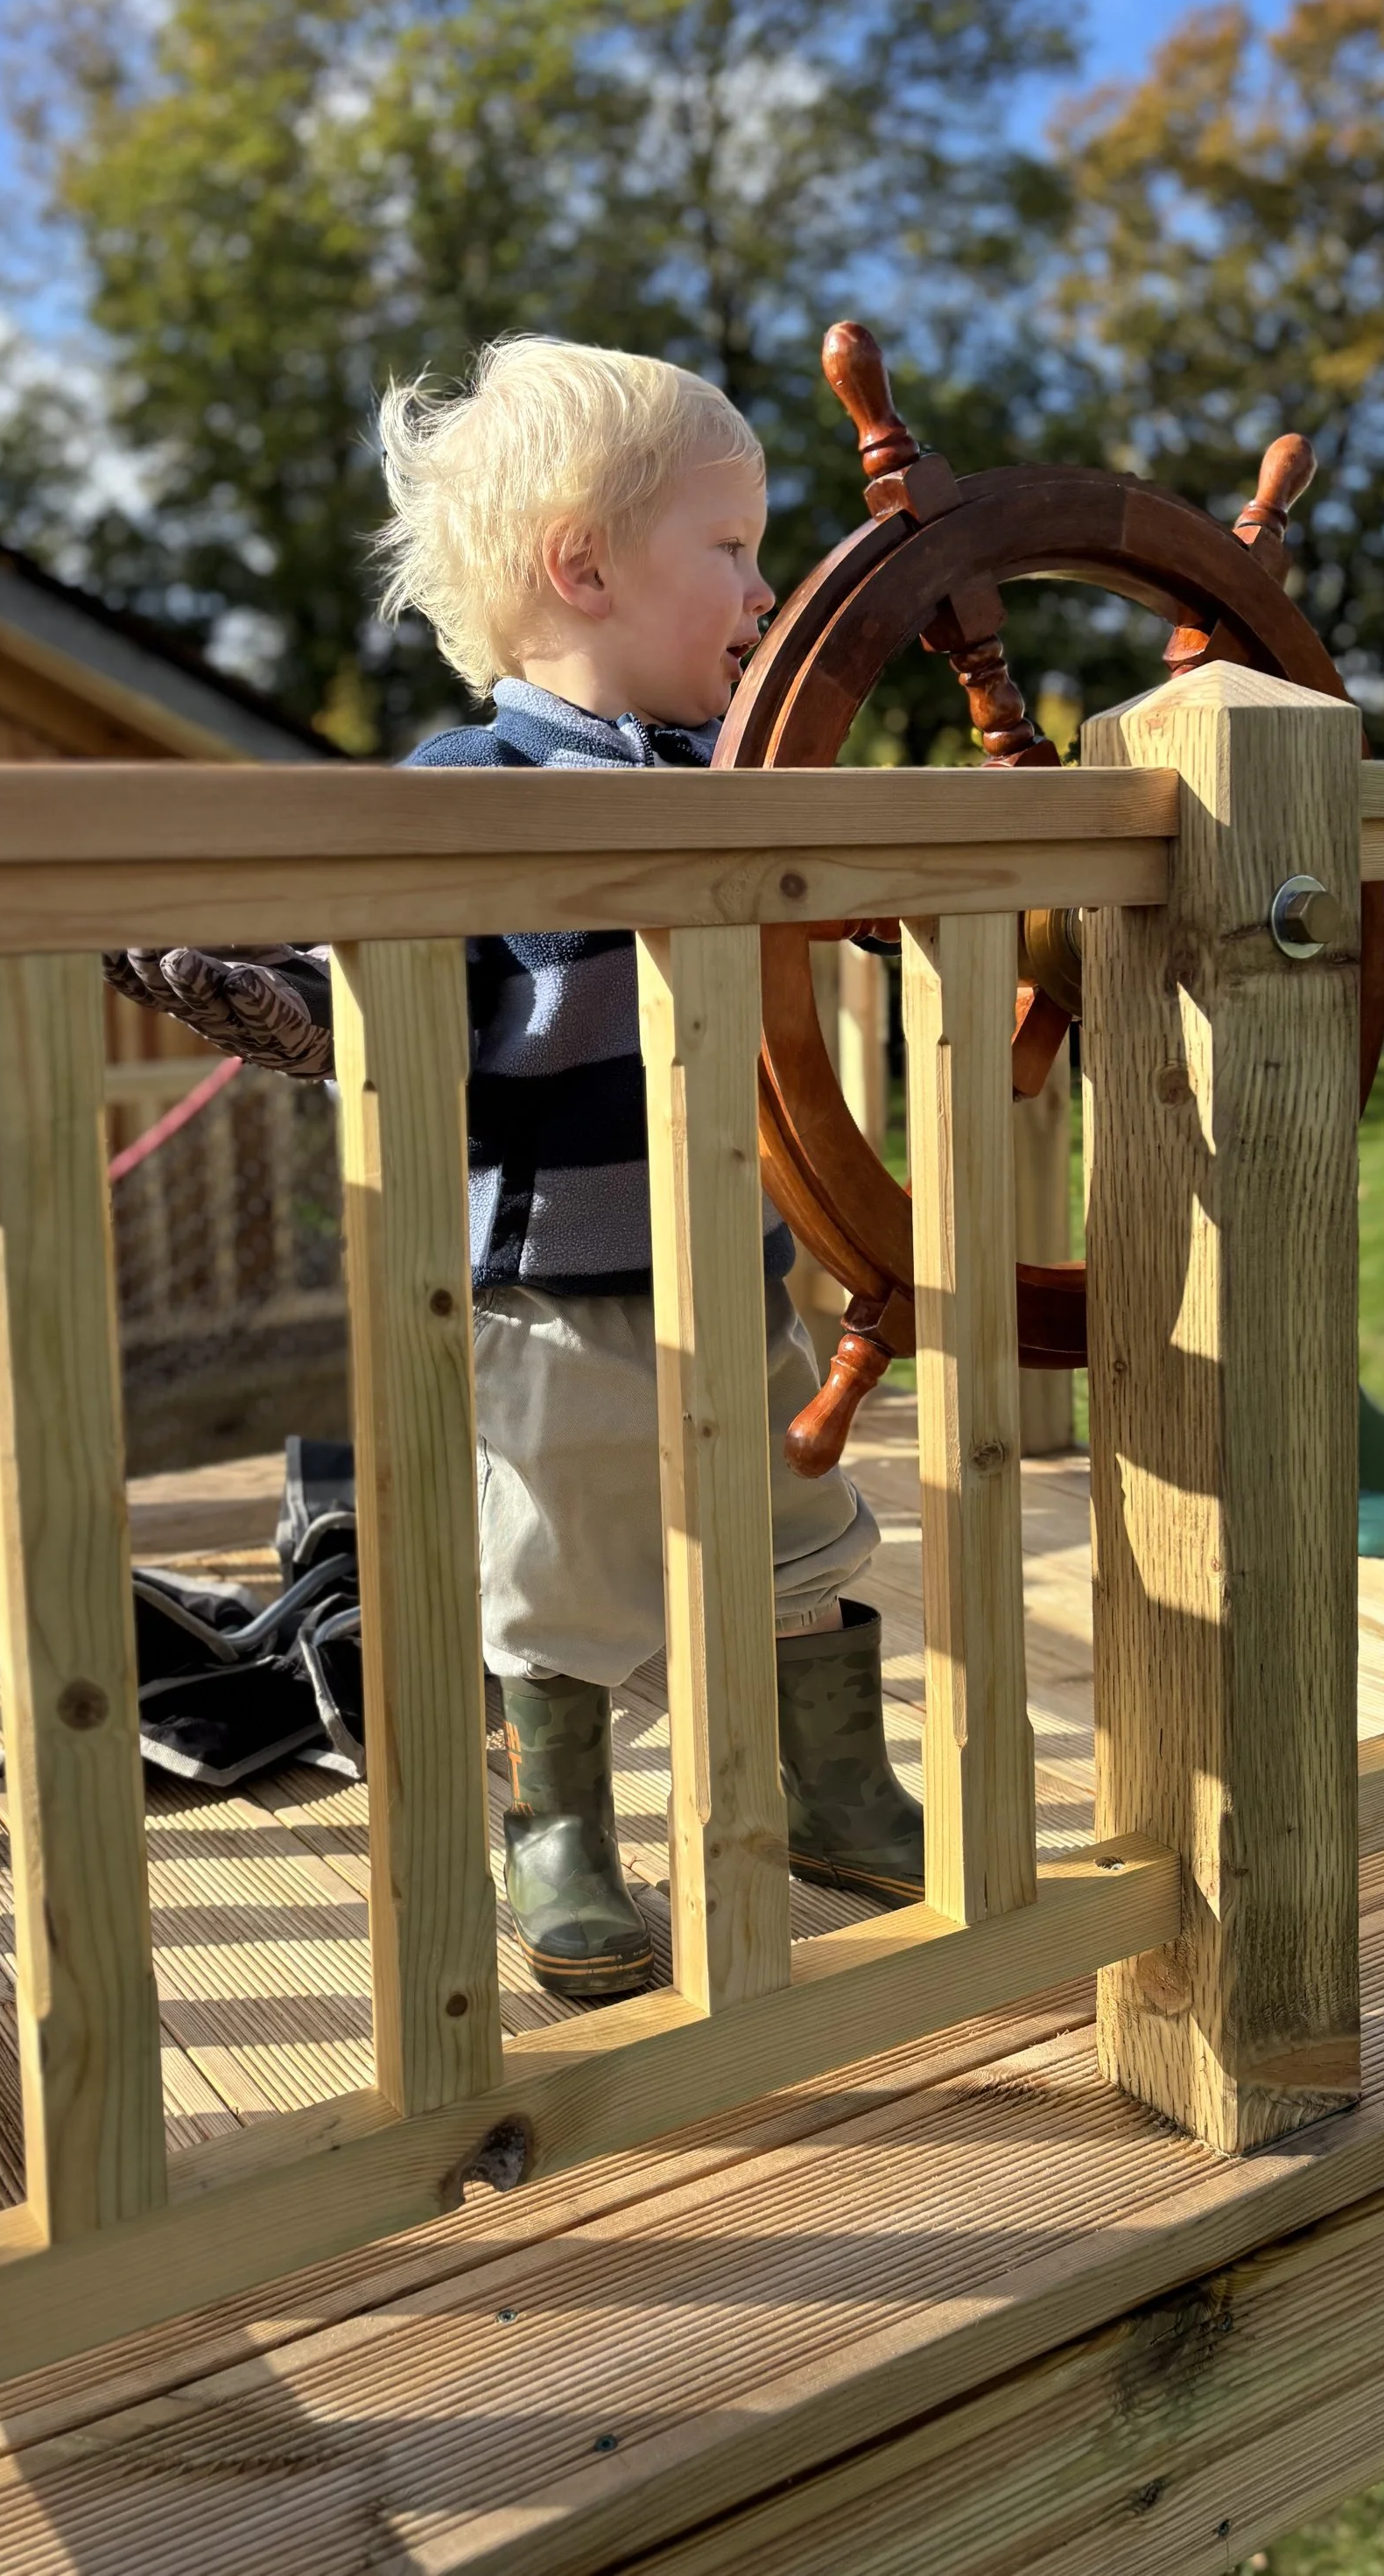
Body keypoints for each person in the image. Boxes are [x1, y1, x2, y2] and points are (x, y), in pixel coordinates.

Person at [108, 337, 923, 1999]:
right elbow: (396, 1001)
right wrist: (287, 1008)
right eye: (735, 551)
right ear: (585, 566)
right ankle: (559, 1827)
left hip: (739, 1257)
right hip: (553, 1278)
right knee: (556, 1556)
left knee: (798, 1530)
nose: (767, 595)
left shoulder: (741, 779)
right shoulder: (469, 796)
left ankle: (835, 1782)